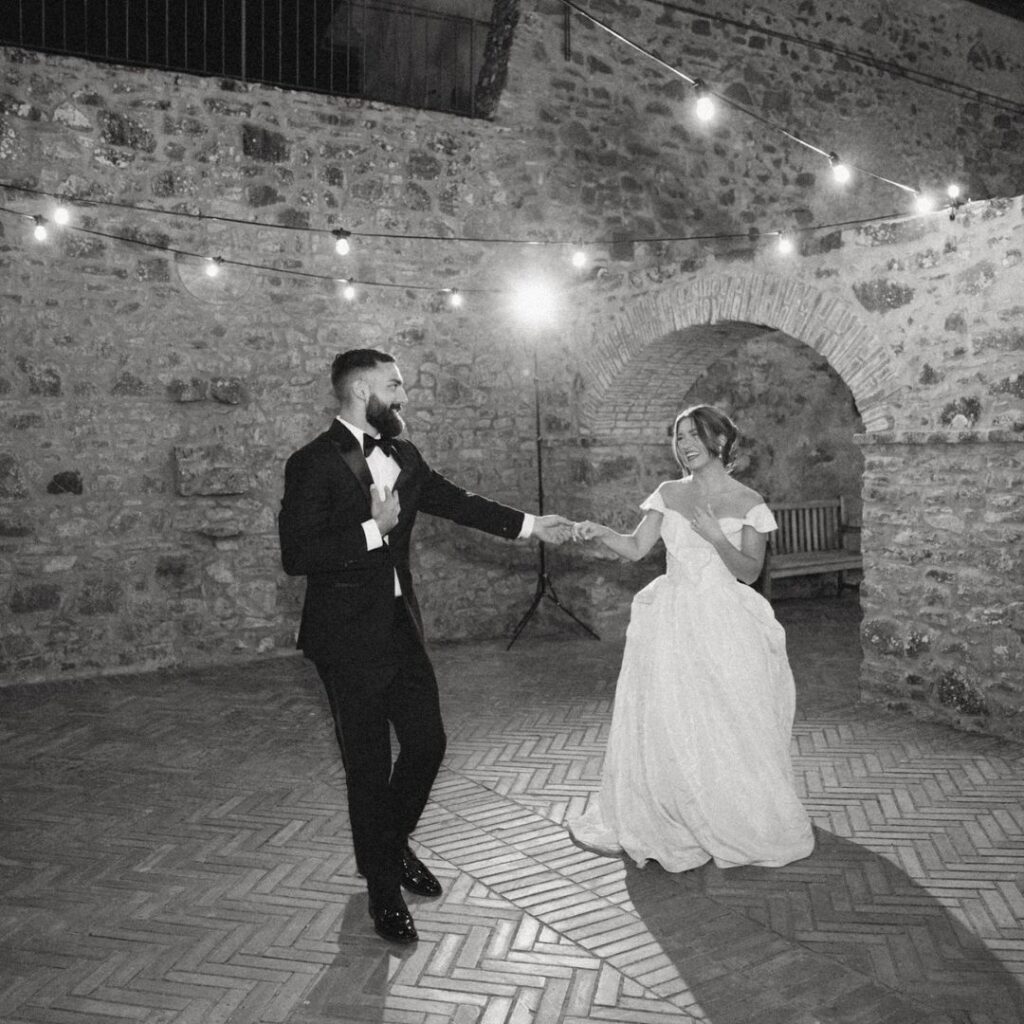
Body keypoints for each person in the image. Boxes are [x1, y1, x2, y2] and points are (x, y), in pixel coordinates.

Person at [278, 348, 572, 944]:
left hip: (399, 627)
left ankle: (388, 847)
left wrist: (531, 525)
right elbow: (297, 554)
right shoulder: (311, 462)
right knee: (367, 766)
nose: (405, 396)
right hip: (345, 638)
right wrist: (373, 529)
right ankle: (383, 890)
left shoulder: (404, 455)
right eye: (395, 385)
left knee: (428, 743)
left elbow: (458, 502)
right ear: (362, 391)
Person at [566, 404, 814, 872]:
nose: (685, 445)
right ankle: (675, 811)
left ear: (719, 441)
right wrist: (600, 532)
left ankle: (731, 813)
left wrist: (716, 537)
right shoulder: (668, 493)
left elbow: (749, 572)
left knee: (728, 719)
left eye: (694, 435)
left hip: (723, 619)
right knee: (671, 717)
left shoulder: (749, 502)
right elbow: (636, 548)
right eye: (679, 437)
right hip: (671, 619)